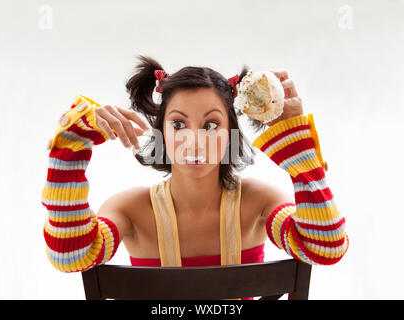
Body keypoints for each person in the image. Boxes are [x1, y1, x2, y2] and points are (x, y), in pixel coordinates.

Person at [41, 55, 349, 299]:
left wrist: (297, 142)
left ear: (230, 135)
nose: (195, 140)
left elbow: (325, 245)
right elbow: (70, 254)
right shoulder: (130, 210)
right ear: (161, 133)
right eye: (178, 125)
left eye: (211, 125)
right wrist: (72, 146)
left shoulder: (258, 202)